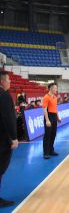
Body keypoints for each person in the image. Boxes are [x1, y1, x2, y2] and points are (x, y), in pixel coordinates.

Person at [0, 71, 18, 208]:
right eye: (8, 80)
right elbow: (9, 118)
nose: (10, 82)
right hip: (3, 139)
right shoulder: (4, 96)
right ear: (2, 81)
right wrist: (14, 137)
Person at [43, 83, 61, 159]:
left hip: (54, 117)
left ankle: (51, 150)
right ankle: (46, 153)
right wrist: (47, 120)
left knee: (53, 134)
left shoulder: (55, 97)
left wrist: (58, 118)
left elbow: (55, 109)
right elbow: (44, 109)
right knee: (47, 135)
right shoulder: (46, 97)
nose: (56, 90)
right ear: (51, 88)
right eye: (55, 88)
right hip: (49, 116)